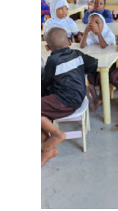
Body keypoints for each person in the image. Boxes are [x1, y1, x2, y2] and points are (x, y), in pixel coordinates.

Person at [40, 28, 98, 166]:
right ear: (70, 42)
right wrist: (84, 71)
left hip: (64, 101)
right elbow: (94, 63)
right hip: (79, 98)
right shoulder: (77, 54)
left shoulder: (52, 60)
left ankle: (56, 134)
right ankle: (48, 149)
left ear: (47, 47)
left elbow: (45, 83)